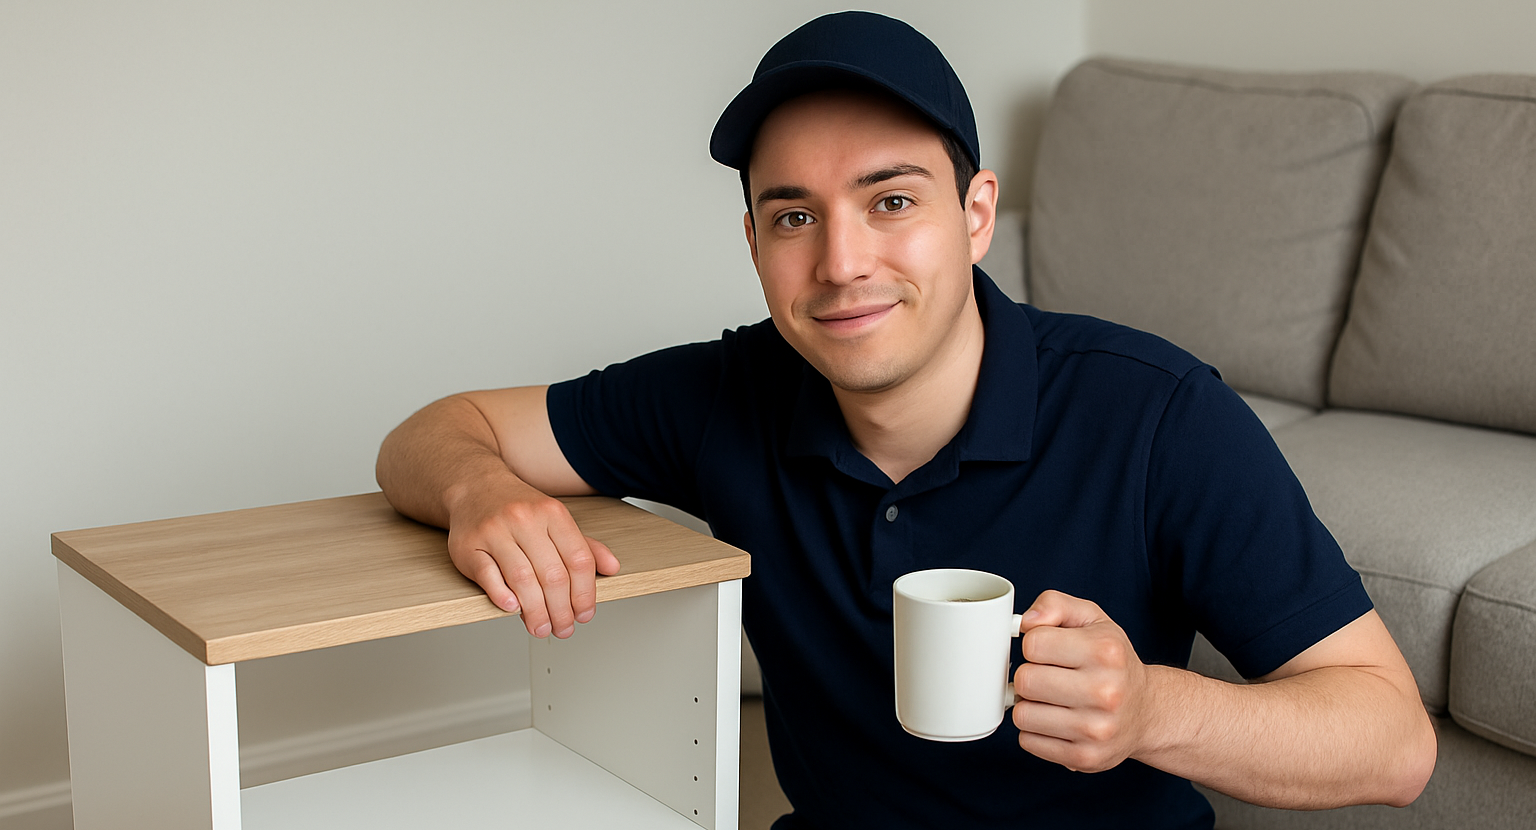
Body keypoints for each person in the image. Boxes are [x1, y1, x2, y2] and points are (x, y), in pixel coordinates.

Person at [377, 11, 1435, 829]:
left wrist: (1154, 709)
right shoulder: (726, 393)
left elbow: (1393, 741)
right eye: (795, 215)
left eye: (891, 200)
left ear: (974, 216)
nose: (841, 263)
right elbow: (433, 432)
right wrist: (482, 491)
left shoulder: (1157, 413)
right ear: (753, 241)